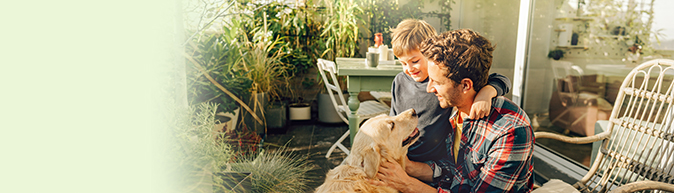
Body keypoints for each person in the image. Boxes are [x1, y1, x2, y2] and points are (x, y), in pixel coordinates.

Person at [374, 29, 535, 192]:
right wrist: (407, 168)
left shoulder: (510, 131)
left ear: (466, 85)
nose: (429, 89)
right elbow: (453, 170)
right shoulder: (454, 113)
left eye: (436, 82)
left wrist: (407, 184)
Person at [389, 19, 511, 162]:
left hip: (435, 161)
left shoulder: (446, 82)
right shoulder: (400, 81)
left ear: (430, 54)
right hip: (403, 153)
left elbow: (501, 80)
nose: (409, 69)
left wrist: (486, 93)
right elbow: (394, 119)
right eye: (403, 63)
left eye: (415, 61)